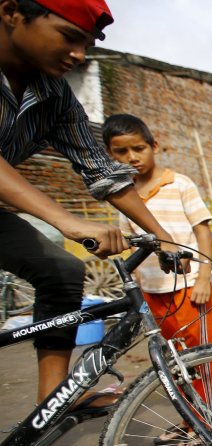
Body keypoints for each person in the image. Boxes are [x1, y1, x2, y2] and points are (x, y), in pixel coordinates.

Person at [0, 0, 175, 414]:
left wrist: (165, 237)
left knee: (63, 272)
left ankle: (52, 403)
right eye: (68, 36)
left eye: (87, 43)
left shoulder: (54, 94)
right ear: (11, 13)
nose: (79, 54)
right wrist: (69, 222)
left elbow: (101, 171)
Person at [103, 114, 212, 446]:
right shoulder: (123, 195)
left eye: (138, 148)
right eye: (120, 152)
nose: (131, 158)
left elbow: (203, 229)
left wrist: (205, 276)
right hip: (152, 293)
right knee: (172, 362)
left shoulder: (179, 183)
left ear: (154, 146)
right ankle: (188, 421)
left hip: (188, 289)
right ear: (110, 154)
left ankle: (206, 423)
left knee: (199, 361)